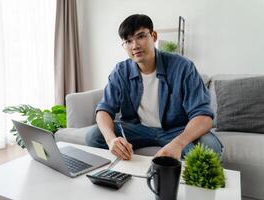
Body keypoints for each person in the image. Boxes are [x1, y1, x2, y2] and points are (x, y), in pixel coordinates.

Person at [85, 14, 222, 161]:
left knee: (209, 147)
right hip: (136, 129)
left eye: (141, 36)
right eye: (128, 41)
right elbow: (104, 110)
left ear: (154, 36)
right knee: (94, 135)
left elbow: (203, 117)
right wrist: (111, 140)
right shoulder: (121, 71)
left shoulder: (183, 67)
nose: (135, 45)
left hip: (175, 130)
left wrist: (178, 143)